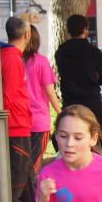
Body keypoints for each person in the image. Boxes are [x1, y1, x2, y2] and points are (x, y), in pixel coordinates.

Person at [0, 16, 39, 202]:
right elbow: (8, 94)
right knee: (17, 180)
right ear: (26, 34)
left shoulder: (5, 56)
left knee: (26, 178)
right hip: (15, 126)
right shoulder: (10, 57)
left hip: (16, 124)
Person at [55, 15, 102, 157]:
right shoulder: (93, 52)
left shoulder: (61, 52)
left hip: (70, 99)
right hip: (91, 99)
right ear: (85, 30)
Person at [24, 25, 62, 183]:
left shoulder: (14, 61)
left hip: (18, 121)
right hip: (39, 121)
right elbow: (50, 91)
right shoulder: (41, 62)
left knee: (21, 165)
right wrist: (61, 112)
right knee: (34, 165)